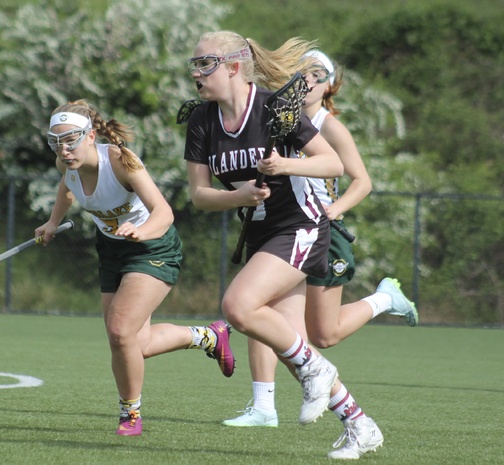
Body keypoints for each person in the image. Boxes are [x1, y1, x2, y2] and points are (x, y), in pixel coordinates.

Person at [220, 50, 419, 460]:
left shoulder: (328, 126)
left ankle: (385, 298)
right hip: (286, 231)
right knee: (286, 335)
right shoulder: (280, 118)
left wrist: (336, 209)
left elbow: (358, 179)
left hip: (320, 229)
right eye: (301, 73)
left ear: (329, 85)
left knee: (320, 336)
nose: (307, 80)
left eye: (317, 75)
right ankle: (276, 407)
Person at [35, 100, 236, 437]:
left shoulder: (119, 162)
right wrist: (53, 222)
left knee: (119, 331)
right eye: (57, 142)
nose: (64, 149)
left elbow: (164, 212)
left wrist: (142, 231)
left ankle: (130, 414)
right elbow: (67, 188)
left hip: (152, 247)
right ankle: (209, 337)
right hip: (111, 251)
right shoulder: (65, 163)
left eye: (70, 140)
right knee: (132, 343)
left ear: (91, 135)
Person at [183, 30, 346, 432]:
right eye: (194, 65)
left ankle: (318, 370)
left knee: (237, 306)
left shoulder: (275, 109)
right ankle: (359, 425)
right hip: (260, 231)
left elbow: (332, 165)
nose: (197, 74)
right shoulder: (202, 120)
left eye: (206, 64)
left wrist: (284, 166)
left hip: (300, 224)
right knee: (291, 350)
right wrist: (240, 197)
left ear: (234, 67)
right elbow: (200, 196)